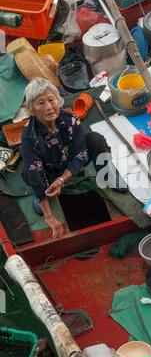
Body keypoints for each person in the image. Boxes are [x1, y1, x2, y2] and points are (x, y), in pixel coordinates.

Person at [21, 77, 127, 239]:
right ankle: (41, 195)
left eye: (51, 100)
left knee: (95, 139)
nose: (49, 107)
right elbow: (35, 174)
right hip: (47, 173)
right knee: (29, 171)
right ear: (32, 110)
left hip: (71, 166)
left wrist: (62, 180)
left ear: (58, 101)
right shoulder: (30, 136)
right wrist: (50, 217)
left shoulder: (71, 120)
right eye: (41, 103)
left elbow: (81, 155)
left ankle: (107, 175)